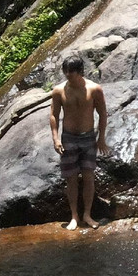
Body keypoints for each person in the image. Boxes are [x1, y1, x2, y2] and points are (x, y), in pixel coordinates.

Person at [49, 54, 110, 229]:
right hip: (68, 138)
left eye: (72, 73)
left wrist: (101, 138)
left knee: (89, 177)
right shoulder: (59, 90)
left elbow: (102, 113)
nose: (69, 76)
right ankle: (74, 216)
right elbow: (54, 114)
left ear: (80, 72)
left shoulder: (94, 89)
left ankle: (87, 215)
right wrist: (55, 138)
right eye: (66, 73)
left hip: (88, 137)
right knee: (71, 179)